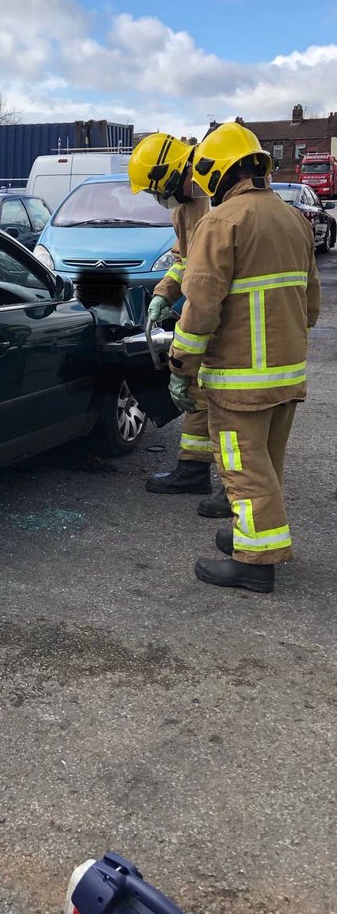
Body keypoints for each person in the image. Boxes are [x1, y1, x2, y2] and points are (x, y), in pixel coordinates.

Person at [167, 122, 320, 592]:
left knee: (242, 466)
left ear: (216, 173)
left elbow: (202, 308)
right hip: (286, 373)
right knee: (269, 462)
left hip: (240, 380)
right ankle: (248, 534)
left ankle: (255, 562)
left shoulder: (221, 222)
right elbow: (311, 305)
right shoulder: (294, 218)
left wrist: (180, 365)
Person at [127, 133, 228, 508]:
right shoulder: (182, 210)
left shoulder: (219, 201)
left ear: (179, 170)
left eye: (161, 188)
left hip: (221, 313)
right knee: (199, 395)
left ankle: (235, 488)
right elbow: (183, 261)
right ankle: (193, 469)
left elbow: (212, 272)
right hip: (202, 309)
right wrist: (162, 295)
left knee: (223, 403)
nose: (161, 198)